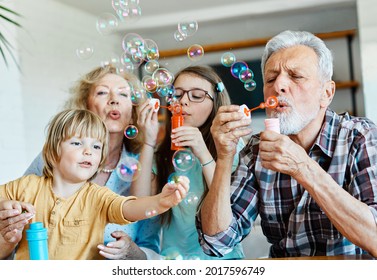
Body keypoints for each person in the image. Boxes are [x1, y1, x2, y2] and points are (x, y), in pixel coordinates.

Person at [197, 30, 377, 258]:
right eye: (271, 79)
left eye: (296, 76)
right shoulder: (256, 150)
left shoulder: (360, 137)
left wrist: (303, 167)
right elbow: (216, 241)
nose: (278, 85)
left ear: (327, 93)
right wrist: (224, 156)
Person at [0, 65, 161, 260]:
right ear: (85, 106)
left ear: (133, 111)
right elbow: (12, 219)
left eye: (124, 94)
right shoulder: (54, 158)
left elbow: (150, 248)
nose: (113, 100)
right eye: (102, 92)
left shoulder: (143, 171)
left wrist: (132, 253)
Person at [0, 109, 189, 260]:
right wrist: (4, 206)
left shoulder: (97, 196)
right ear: (52, 152)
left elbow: (129, 207)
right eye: (77, 143)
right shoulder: (26, 186)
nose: (88, 151)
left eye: (96, 147)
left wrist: (161, 201)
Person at [132, 65, 245, 259]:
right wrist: (149, 141)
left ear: (215, 102)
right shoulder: (165, 152)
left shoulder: (231, 144)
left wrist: (202, 152)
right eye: (177, 94)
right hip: (175, 262)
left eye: (196, 95)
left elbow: (230, 206)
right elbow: (139, 202)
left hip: (223, 262)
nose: (183, 101)